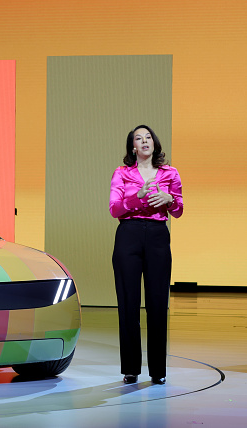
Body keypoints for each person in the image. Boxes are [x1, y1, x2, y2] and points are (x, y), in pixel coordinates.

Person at [109, 124, 183, 385]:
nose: (144, 141)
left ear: (154, 143)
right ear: (133, 146)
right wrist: (136, 197)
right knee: (128, 303)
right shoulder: (122, 173)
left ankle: (158, 371)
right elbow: (115, 209)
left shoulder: (170, 173)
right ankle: (131, 369)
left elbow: (179, 210)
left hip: (157, 236)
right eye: (138, 138)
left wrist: (169, 199)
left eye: (148, 137)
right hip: (128, 234)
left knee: (157, 303)